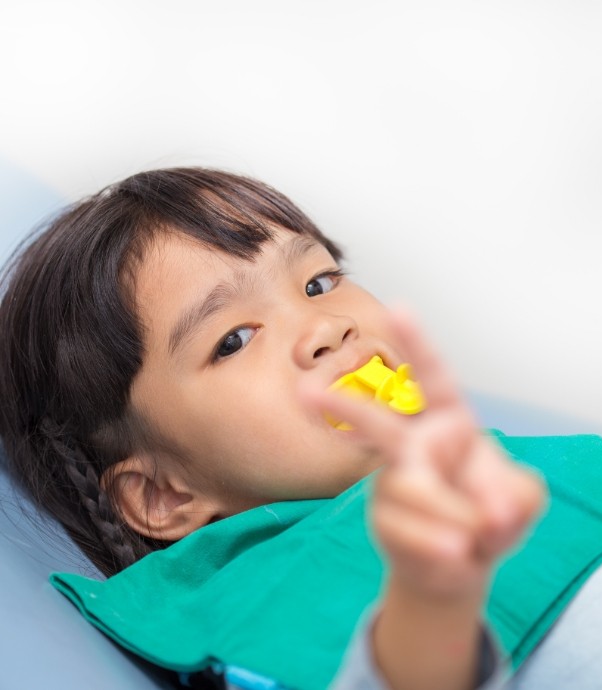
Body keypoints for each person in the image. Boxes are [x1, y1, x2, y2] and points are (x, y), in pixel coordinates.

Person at [0, 167, 543, 690]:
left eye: (319, 281)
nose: (328, 327)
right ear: (162, 493)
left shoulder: (511, 462)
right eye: (234, 339)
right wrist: (432, 606)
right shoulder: (275, 595)